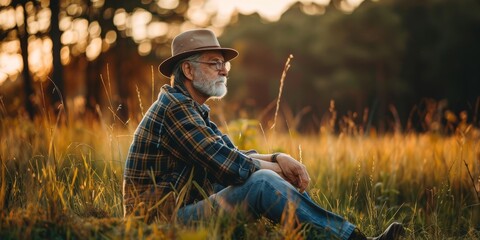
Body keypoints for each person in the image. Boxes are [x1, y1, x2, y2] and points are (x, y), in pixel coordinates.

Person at [123, 29, 405, 240]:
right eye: (214, 63)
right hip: (154, 225)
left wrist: (278, 157)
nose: (224, 70)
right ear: (187, 69)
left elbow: (232, 154)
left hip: (179, 211)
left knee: (262, 177)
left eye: (225, 64)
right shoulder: (175, 109)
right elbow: (230, 166)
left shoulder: (192, 109)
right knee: (260, 183)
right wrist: (276, 171)